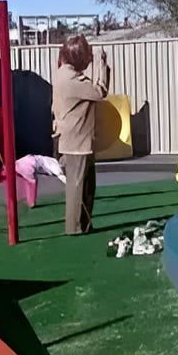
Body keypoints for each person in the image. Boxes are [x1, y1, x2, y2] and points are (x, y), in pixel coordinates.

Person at [52, 34, 110, 235]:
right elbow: (99, 92)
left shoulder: (61, 74)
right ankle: (76, 228)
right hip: (78, 141)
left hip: (71, 139)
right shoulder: (74, 80)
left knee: (82, 186)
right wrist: (102, 66)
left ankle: (81, 225)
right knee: (79, 188)